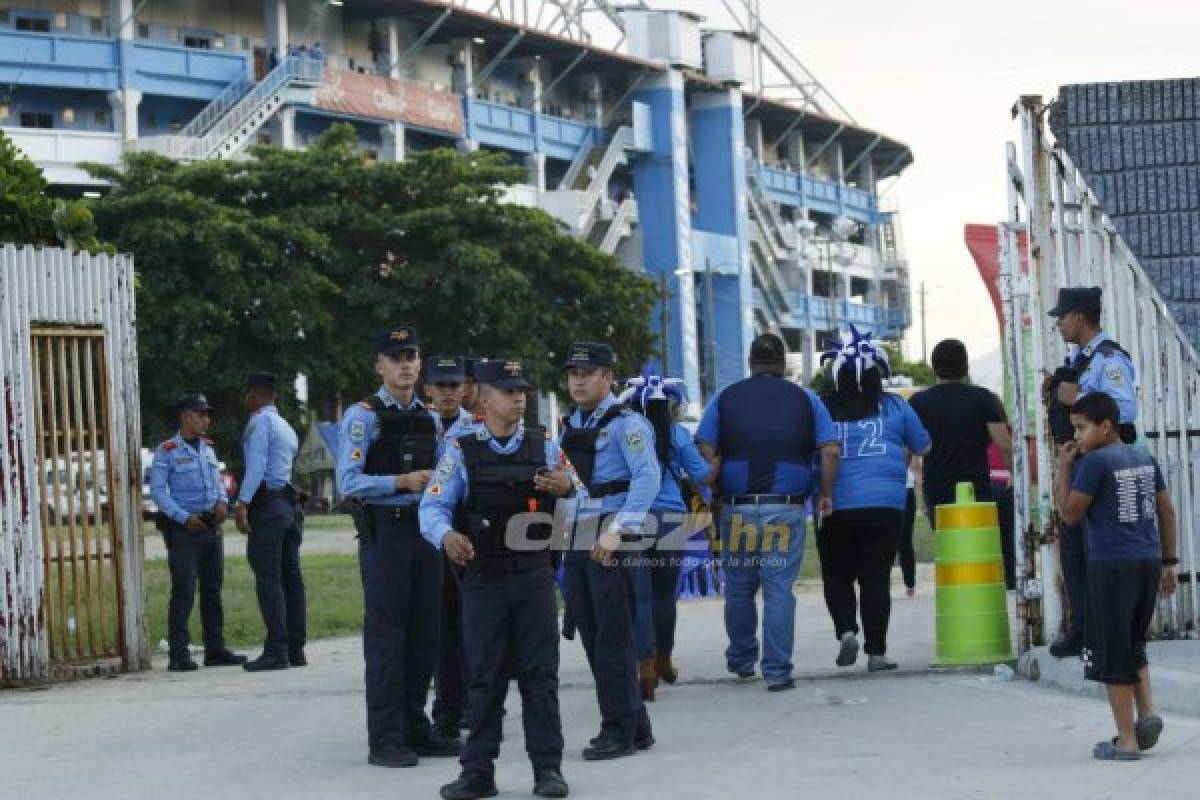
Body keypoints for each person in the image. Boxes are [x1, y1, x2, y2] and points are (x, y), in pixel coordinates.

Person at [420, 358, 577, 800]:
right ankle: (478, 772)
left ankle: (548, 769)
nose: (519, 398)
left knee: (540, 676)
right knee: (483, 677)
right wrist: (446, 535)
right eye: (508, 391)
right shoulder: (462, 450)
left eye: (521, 390)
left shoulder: (544, 447)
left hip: (532, 579)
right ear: (484, 399)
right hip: (484, 580)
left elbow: (581, 499)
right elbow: (431, 507)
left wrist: (567, 489)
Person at [336, 328, 460, 767]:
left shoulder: (429, 418)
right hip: (385, 533)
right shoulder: (363, 416)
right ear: (380, 366)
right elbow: (347, 483)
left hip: (424, 533)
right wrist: (401, 482)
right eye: (396, 358)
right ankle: (385, 738)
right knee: (388, 637)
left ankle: (415, 727)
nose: (405, 364)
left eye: (411, 356)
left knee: (425, 633)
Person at [695, 333, 840, 692]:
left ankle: (742, 659)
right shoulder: (806, 399)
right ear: (783, 363)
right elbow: (830, 450)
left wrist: (712, 486)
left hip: (736, 507)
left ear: (750, 362)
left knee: (739, 588)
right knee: (778, 589)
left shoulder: (725, 397)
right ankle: (777, 671)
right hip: (785, 508)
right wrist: (825, 493)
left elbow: (703, 446)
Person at [1055, 392, 1177, 761]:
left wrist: (1064, 468)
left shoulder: (1093, 463)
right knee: (1133, 643)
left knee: (1111, 650)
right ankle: (1147, 714)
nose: (1076, 437)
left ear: (1105, 426)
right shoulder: (1142, 456)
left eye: (1082, 427)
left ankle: (1126, 740)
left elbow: (1071, 514)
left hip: (1110, 565)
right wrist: (1169, 562)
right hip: (1147, 559)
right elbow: (1167, 512)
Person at [559, 342, 659, 760]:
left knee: (612, 638)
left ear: (607, 376)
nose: (579, 379)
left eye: (588, 371)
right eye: (573, 373)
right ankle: (635, 725)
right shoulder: (573, 424)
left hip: (612, 533)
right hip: (579, 534)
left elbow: (647, 478)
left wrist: (619, 531)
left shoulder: (627, 423)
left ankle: (616, 729)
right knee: (592, 633)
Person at [815, 327, 931, 672]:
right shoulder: (896, 405)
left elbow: (816, 451)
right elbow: (923, 446)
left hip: (835, 502)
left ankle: (847, 630)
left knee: (836, 574)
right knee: (876, 578)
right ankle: (877, 652)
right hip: (886, 503)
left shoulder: (823, 408)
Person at [1044, 286, 1139, 658]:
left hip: (1101, 464)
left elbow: (1125, 411)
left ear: (1080, 317)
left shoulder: (1108, 359)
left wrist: (1079, 393)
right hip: (1081, 461)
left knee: (1093, 547)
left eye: (1061, 317)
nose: (1058, 325)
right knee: (1075, 548)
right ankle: (1084, 626)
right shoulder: (1081, 358)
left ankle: (1095, 629)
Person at [617, 375, 715, 701]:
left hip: (635, 517)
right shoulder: (678, 435)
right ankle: (665, 661)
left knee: (639, 596)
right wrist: (718, 461)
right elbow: (702, 475)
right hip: (671, 518)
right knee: (664, 595)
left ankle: (643, 666)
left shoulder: (625, 433)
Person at [149, 393, 245, 672]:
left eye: (207, 415)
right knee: (184, 590)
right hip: (183, 530)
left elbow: (217, 482)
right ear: (184, 416)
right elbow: (158, 491)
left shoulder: (208, 448)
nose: (206, 420)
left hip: (210, 528)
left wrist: (222, 502)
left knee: (212, 590)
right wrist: (182, 517)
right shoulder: (167, 450)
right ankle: (179, 653)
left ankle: (215, 648)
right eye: (200, 414)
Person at [235, 371, 305, 672]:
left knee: (269, 578)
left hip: (268, 506)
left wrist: (243, 503)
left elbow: (257, 465)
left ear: (253, 394)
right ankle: (295, 648)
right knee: (292, 578)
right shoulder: (285, 424)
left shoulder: (260, 422)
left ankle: (276, 649)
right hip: (289, 506)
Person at [908, 339, 1011, 519]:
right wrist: (1015, 478)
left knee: (947, 544)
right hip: (977, 488)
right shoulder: (983, 398)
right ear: (966, 366)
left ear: (934, 367)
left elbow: (908, 450)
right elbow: (1005, 445)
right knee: (978, 542)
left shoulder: (918, 402)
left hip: (936, 489)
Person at [425, 356, 473, 741]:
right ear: (428, 389)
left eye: (454, 385)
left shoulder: (476, 427)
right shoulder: (418, 425)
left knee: (473, 622)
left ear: (465, 390)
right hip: (430, 535)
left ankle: (477, 701)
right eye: (440, 386)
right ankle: (446, 707)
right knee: (440, 625)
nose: (447, 392)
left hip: (470, 535)